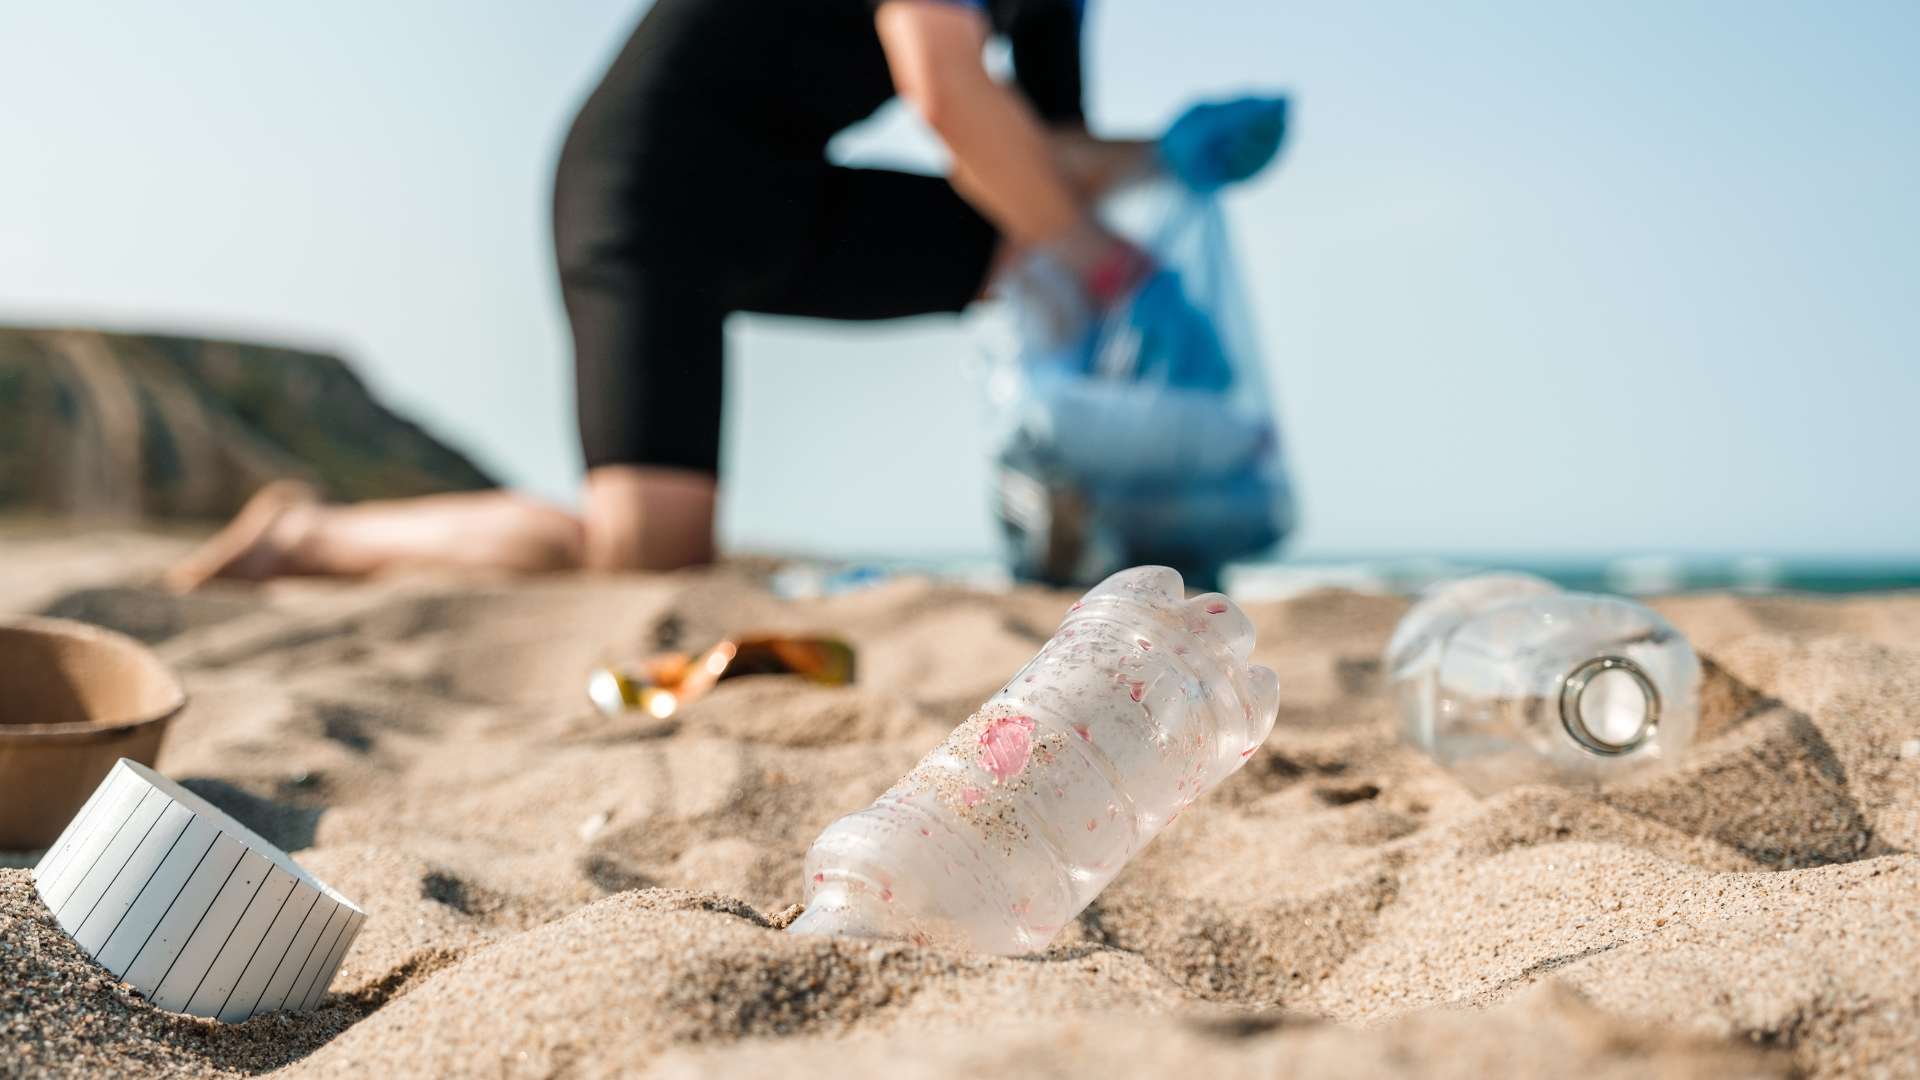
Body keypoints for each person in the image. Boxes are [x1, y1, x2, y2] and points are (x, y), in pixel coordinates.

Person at [165, 0, 1287, 590]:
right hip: (640, 193)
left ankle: (1084, 546)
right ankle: (313, 539)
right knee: (645, 556)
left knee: (1024, 241)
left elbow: (1039, 157)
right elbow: (944, 92)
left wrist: (1173, 156)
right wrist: (1103, 263)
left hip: (781, 195)